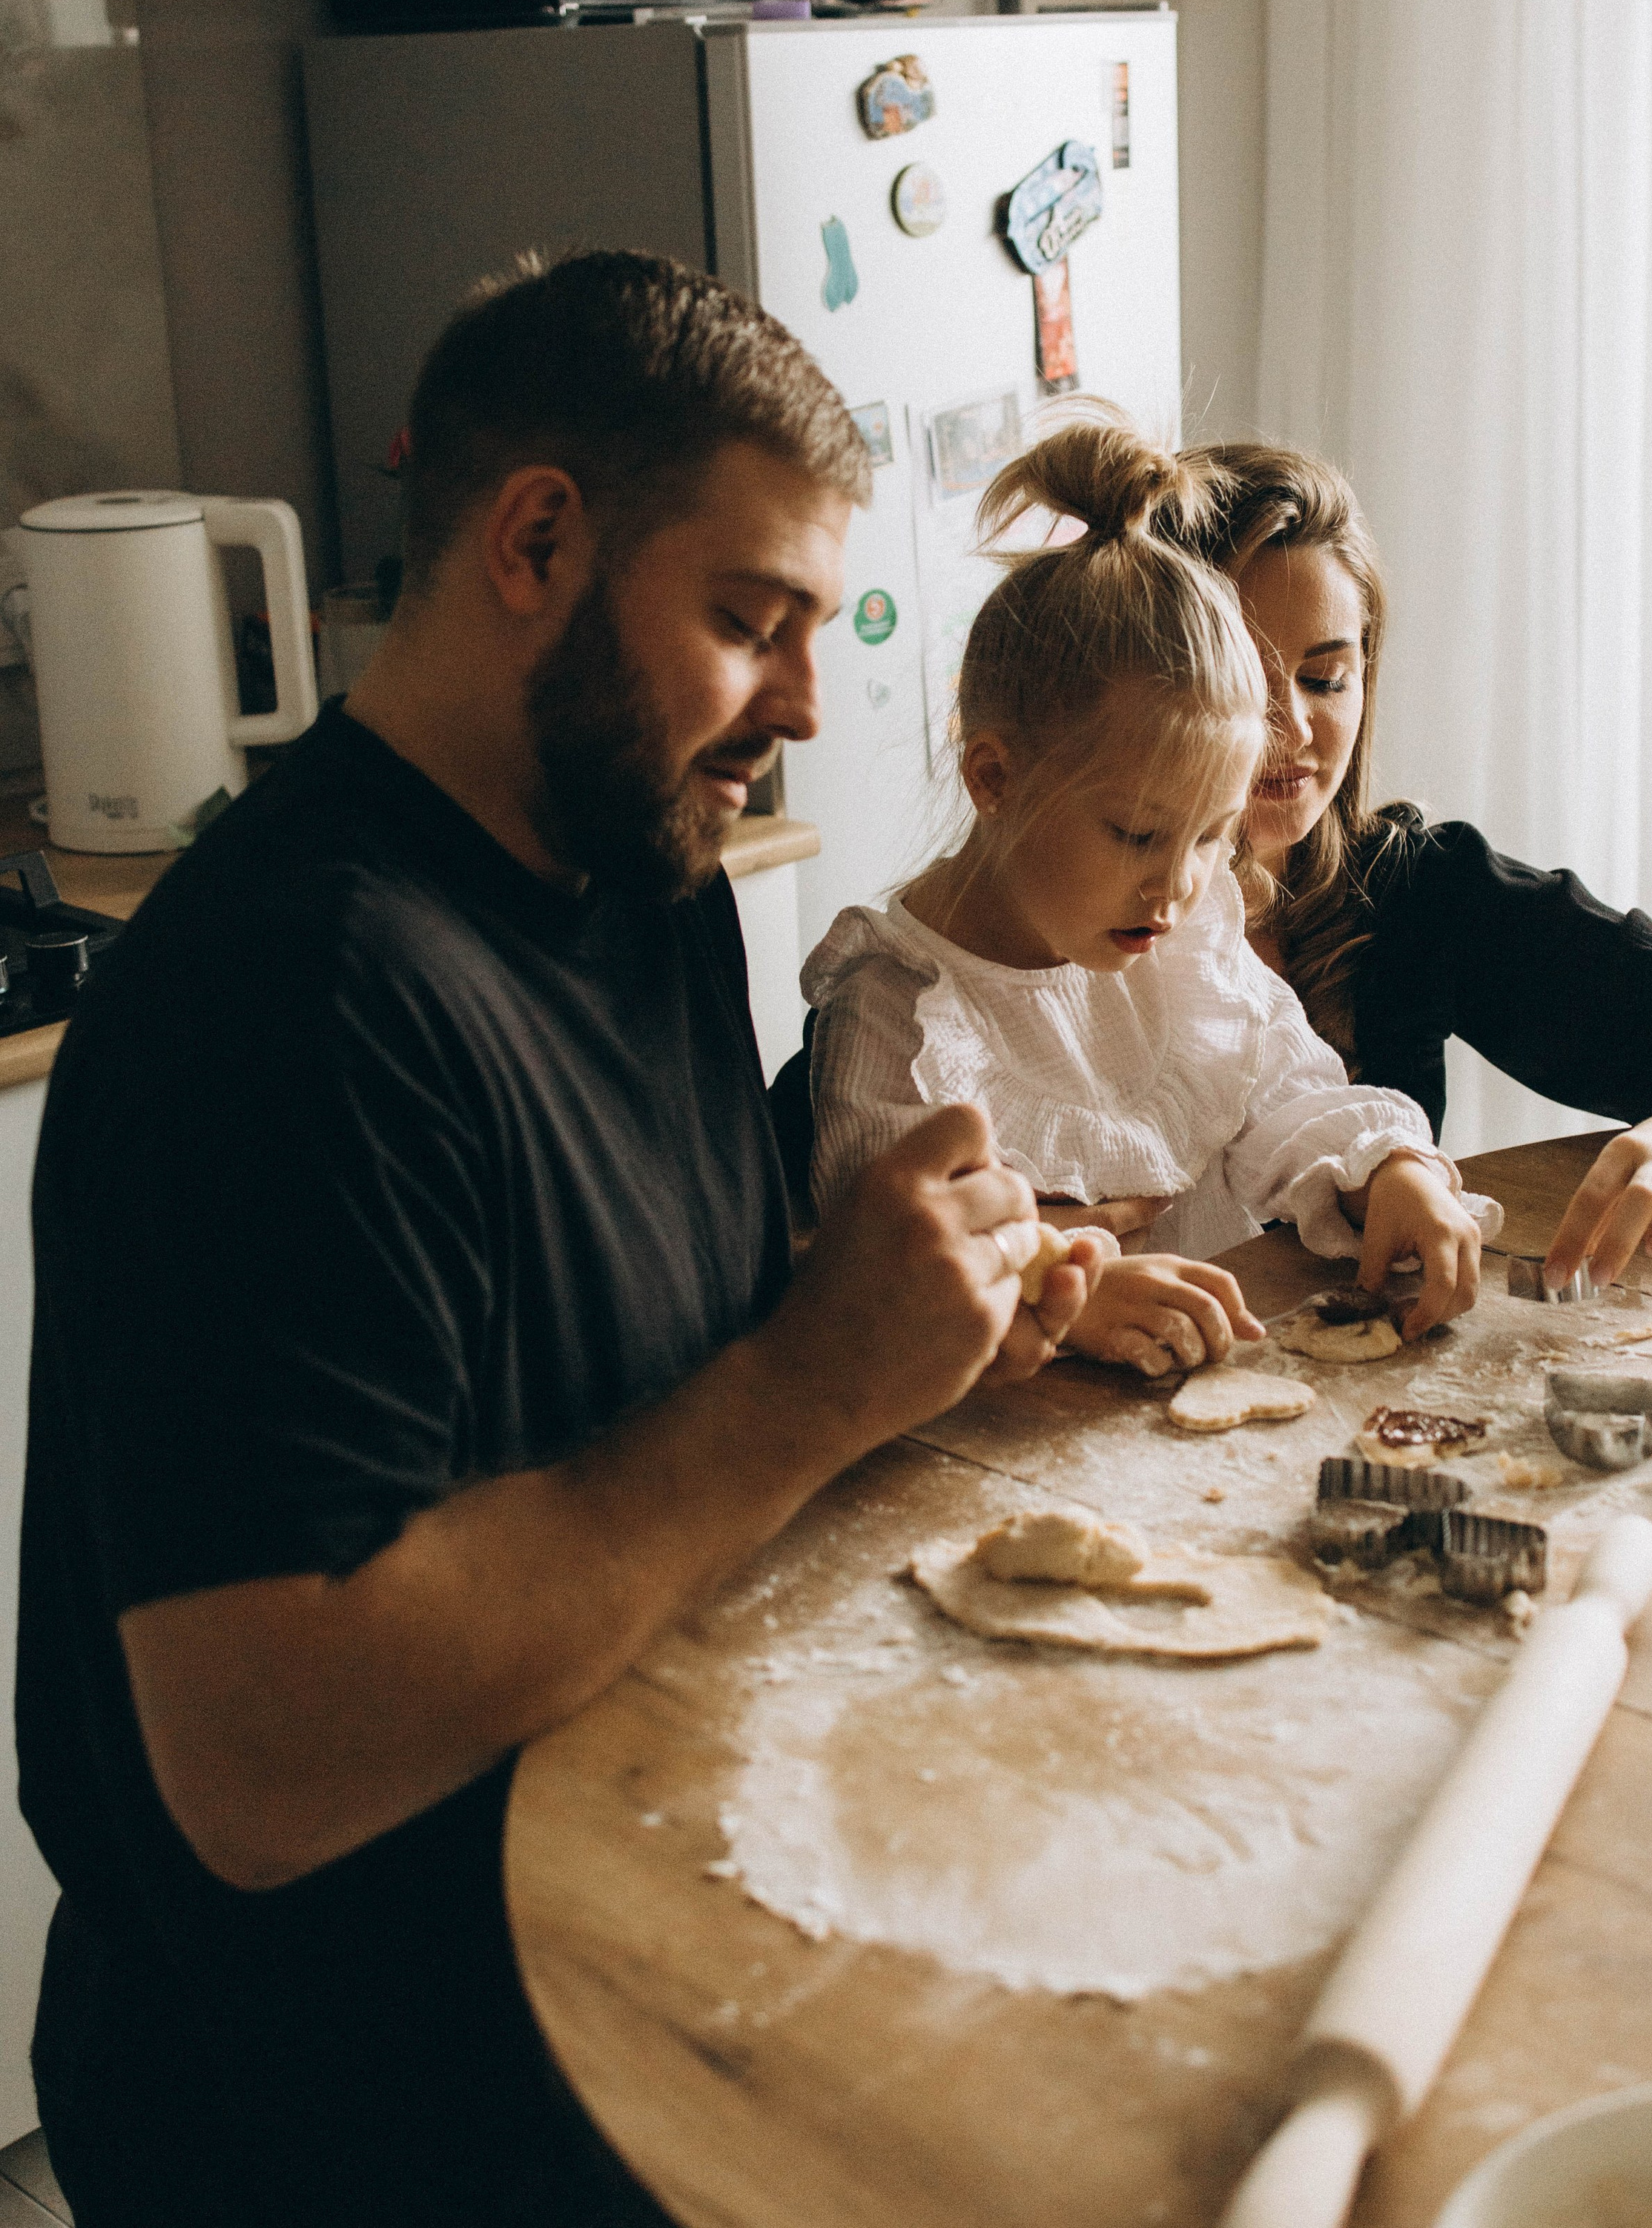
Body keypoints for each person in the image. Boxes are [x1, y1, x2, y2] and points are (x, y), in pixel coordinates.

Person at [17, 250, 1103, 2228]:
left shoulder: (645, 868)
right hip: (335, 2123)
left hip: (629, 1954)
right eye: (748, 620)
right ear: (533, 539)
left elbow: (630, 1380)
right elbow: (264, 1764)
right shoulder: (296, 993)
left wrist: (903, 1311)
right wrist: (814, 1379)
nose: (801, 697)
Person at [802, 420, 1500, 1376]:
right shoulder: (899, 1010)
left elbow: (1286, 1095)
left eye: (1212, 835)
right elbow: (883, 1275)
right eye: (1137, 833)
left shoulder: (1178, 938)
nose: (1178, 885)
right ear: (994, 777)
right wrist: (1064, 1283)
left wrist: (1390, 1168)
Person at [1176, 440, 1652, 1289]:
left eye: (1325, 678)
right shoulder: (1047, 921)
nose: (1293, 729)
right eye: (1244, 684)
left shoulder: (1410, 891)